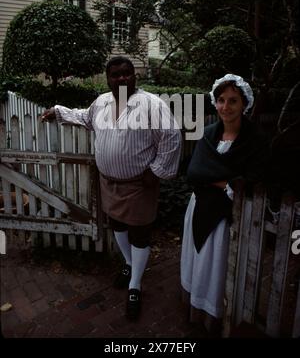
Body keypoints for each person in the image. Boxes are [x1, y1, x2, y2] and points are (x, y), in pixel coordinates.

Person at [42, 56, 182, 320]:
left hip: (139, 185)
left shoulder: (151, 105)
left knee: (140, 233)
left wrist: (158, 171)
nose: (121, 78)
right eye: (115, 75)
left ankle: (135, 286)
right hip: (109, 182)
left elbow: (172, 136)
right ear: (108, 79)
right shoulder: (102, 102)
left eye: (126, 73)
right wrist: (58, 112)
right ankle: (129, 265)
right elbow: (85, 117)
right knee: (117, 224)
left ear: (134, 76)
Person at [180, 73, 269, 336]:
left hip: (229, 216)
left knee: (219, 266)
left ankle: (215, 312)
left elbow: (256, 178)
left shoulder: (256, 140)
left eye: (233, 101)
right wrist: (226, 180)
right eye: (220, 100)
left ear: (244, 104)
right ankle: (196, 306)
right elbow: (195, 173)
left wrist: (218, 183)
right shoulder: (208, 134)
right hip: (199, 208)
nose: (225, 107)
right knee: (199, 260)